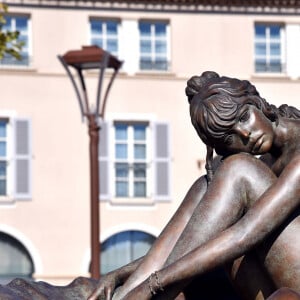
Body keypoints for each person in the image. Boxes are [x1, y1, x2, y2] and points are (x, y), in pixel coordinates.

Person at [88, 71, 300, 300]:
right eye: (230, 138)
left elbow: (245, 233)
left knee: (239, 170)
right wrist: (124, 275)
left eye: (243, 117)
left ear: (257, 103)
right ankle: (124, 296)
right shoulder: (266, 162)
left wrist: (154, 284)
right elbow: (199, 238)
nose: (246, 134)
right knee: (207, 187)